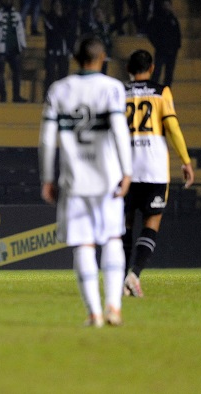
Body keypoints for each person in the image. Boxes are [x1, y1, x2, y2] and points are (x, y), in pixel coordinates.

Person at [39, 35, 132, 327]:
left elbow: (45, 139)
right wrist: (127, 171)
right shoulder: (113, 88)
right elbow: (119, 130)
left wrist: (47, 177)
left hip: (74, 181)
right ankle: (114, 307)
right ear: (102, 57)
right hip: (108, 179)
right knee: (114, 238)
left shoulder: (59, 90)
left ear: (75, 58)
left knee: (83, 245)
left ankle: (94, 313)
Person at [122, 49, 195, 297]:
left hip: (125, 169)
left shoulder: (119, 93)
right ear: (152, 68)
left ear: (129, 70)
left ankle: (122, 279)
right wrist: (185, 161)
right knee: (151, 222)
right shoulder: (161, 91)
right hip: (153, 167)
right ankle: (134, 275)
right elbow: (172, 126)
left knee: (125, 224)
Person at [0, 0, 27, 103]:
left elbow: (21, 31)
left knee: (17, 72)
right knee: (0, 72)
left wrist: (23, 45)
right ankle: (3, 95)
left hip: (14, 47)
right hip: (1, 48)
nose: (7, 1)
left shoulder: (17, 15)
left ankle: (16, 95)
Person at [147, 0, 181, 86]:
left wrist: (177, 46)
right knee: (156, 73)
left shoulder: (172, 18)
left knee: (169, 75)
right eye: (165, 4)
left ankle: (166, 96)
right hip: (161, 50)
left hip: (172, 51)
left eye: (168, 4)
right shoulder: (157, 18)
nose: (167, 7)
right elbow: (151, 33)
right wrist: (158, 45)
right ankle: (152, 94)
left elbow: (177, 33)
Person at [43, 0, 70, 97]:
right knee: (50, 74)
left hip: (63, 50)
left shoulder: (66, 17)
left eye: (59, 4)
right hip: (52, 50)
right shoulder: (48, 17)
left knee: (63, 76)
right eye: (56, 4)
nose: (57, 6)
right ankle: (48, 96)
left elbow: (67, 32)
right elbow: (54, 30)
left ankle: (62, 97)